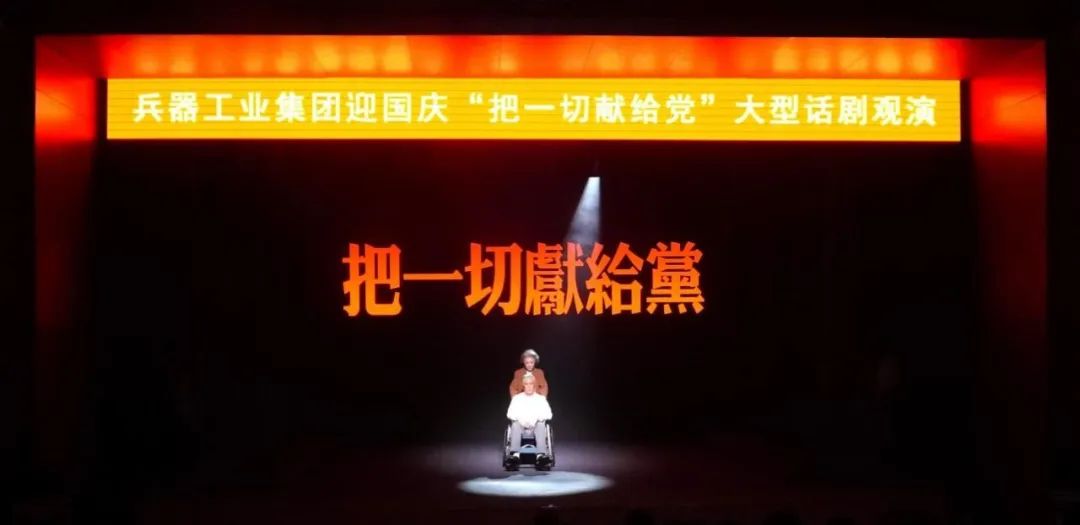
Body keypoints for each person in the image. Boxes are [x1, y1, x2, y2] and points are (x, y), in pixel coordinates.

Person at [507, 373, 553, 458]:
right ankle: (515, 454)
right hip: (520, 427)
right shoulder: (517, 399)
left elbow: (548, 414)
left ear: (534, 385)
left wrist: (536, 419)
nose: (528, 386)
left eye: (531, 384)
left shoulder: (541, 399)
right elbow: (510, 414)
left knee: (540, 424)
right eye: (526, 384)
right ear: (523, 385)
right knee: (515, 424)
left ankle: (540, 455)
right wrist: (521, 420)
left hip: (536, 428)